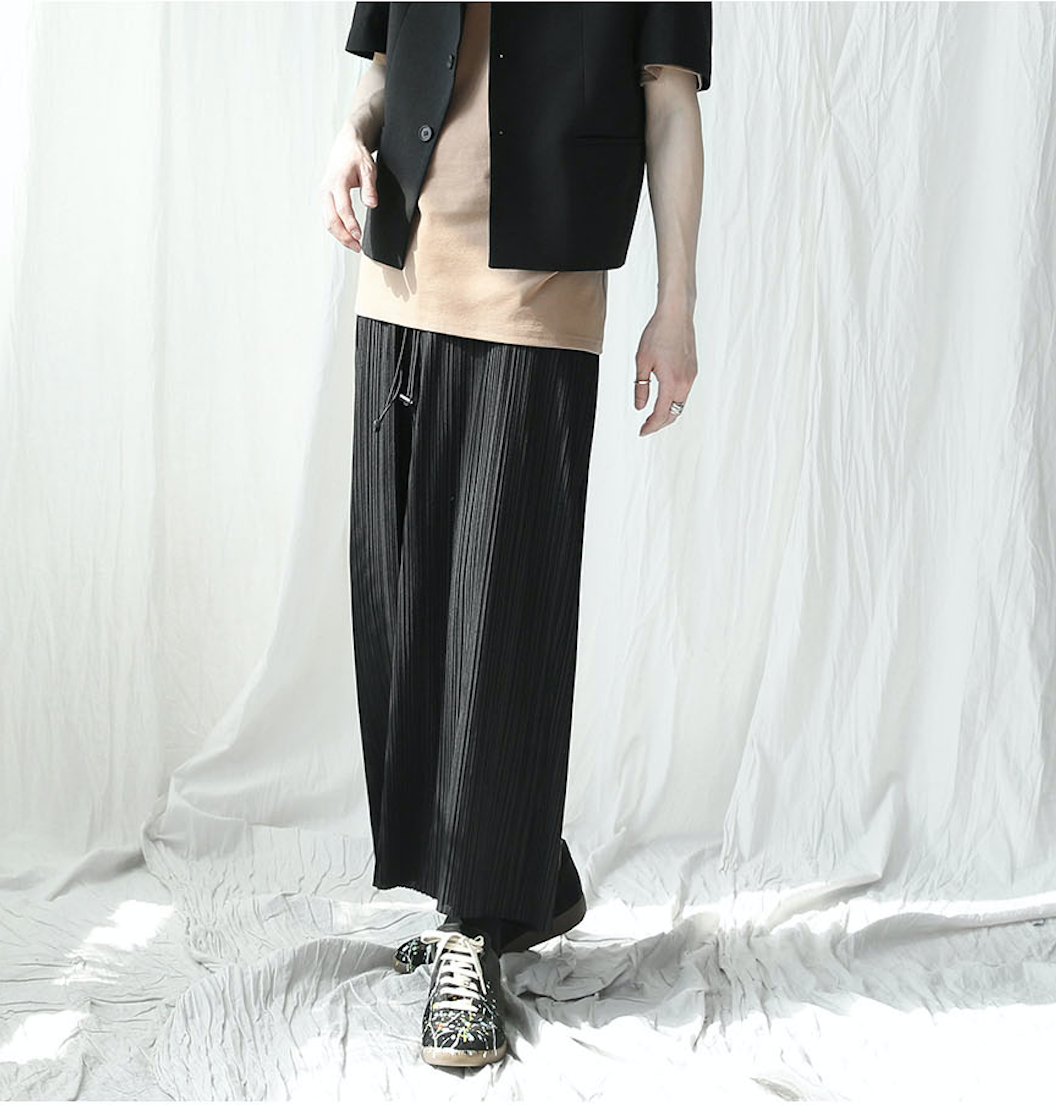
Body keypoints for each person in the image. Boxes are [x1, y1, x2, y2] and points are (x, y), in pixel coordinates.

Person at [322, 1, 711, 1069]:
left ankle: (475, 924)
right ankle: (518, 879)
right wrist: (346, 141)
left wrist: (676, 302)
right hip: (398, 276)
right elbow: (385, 63)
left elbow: (670, 102)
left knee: (501, 619)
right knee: (398, 613)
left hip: (537, 292)